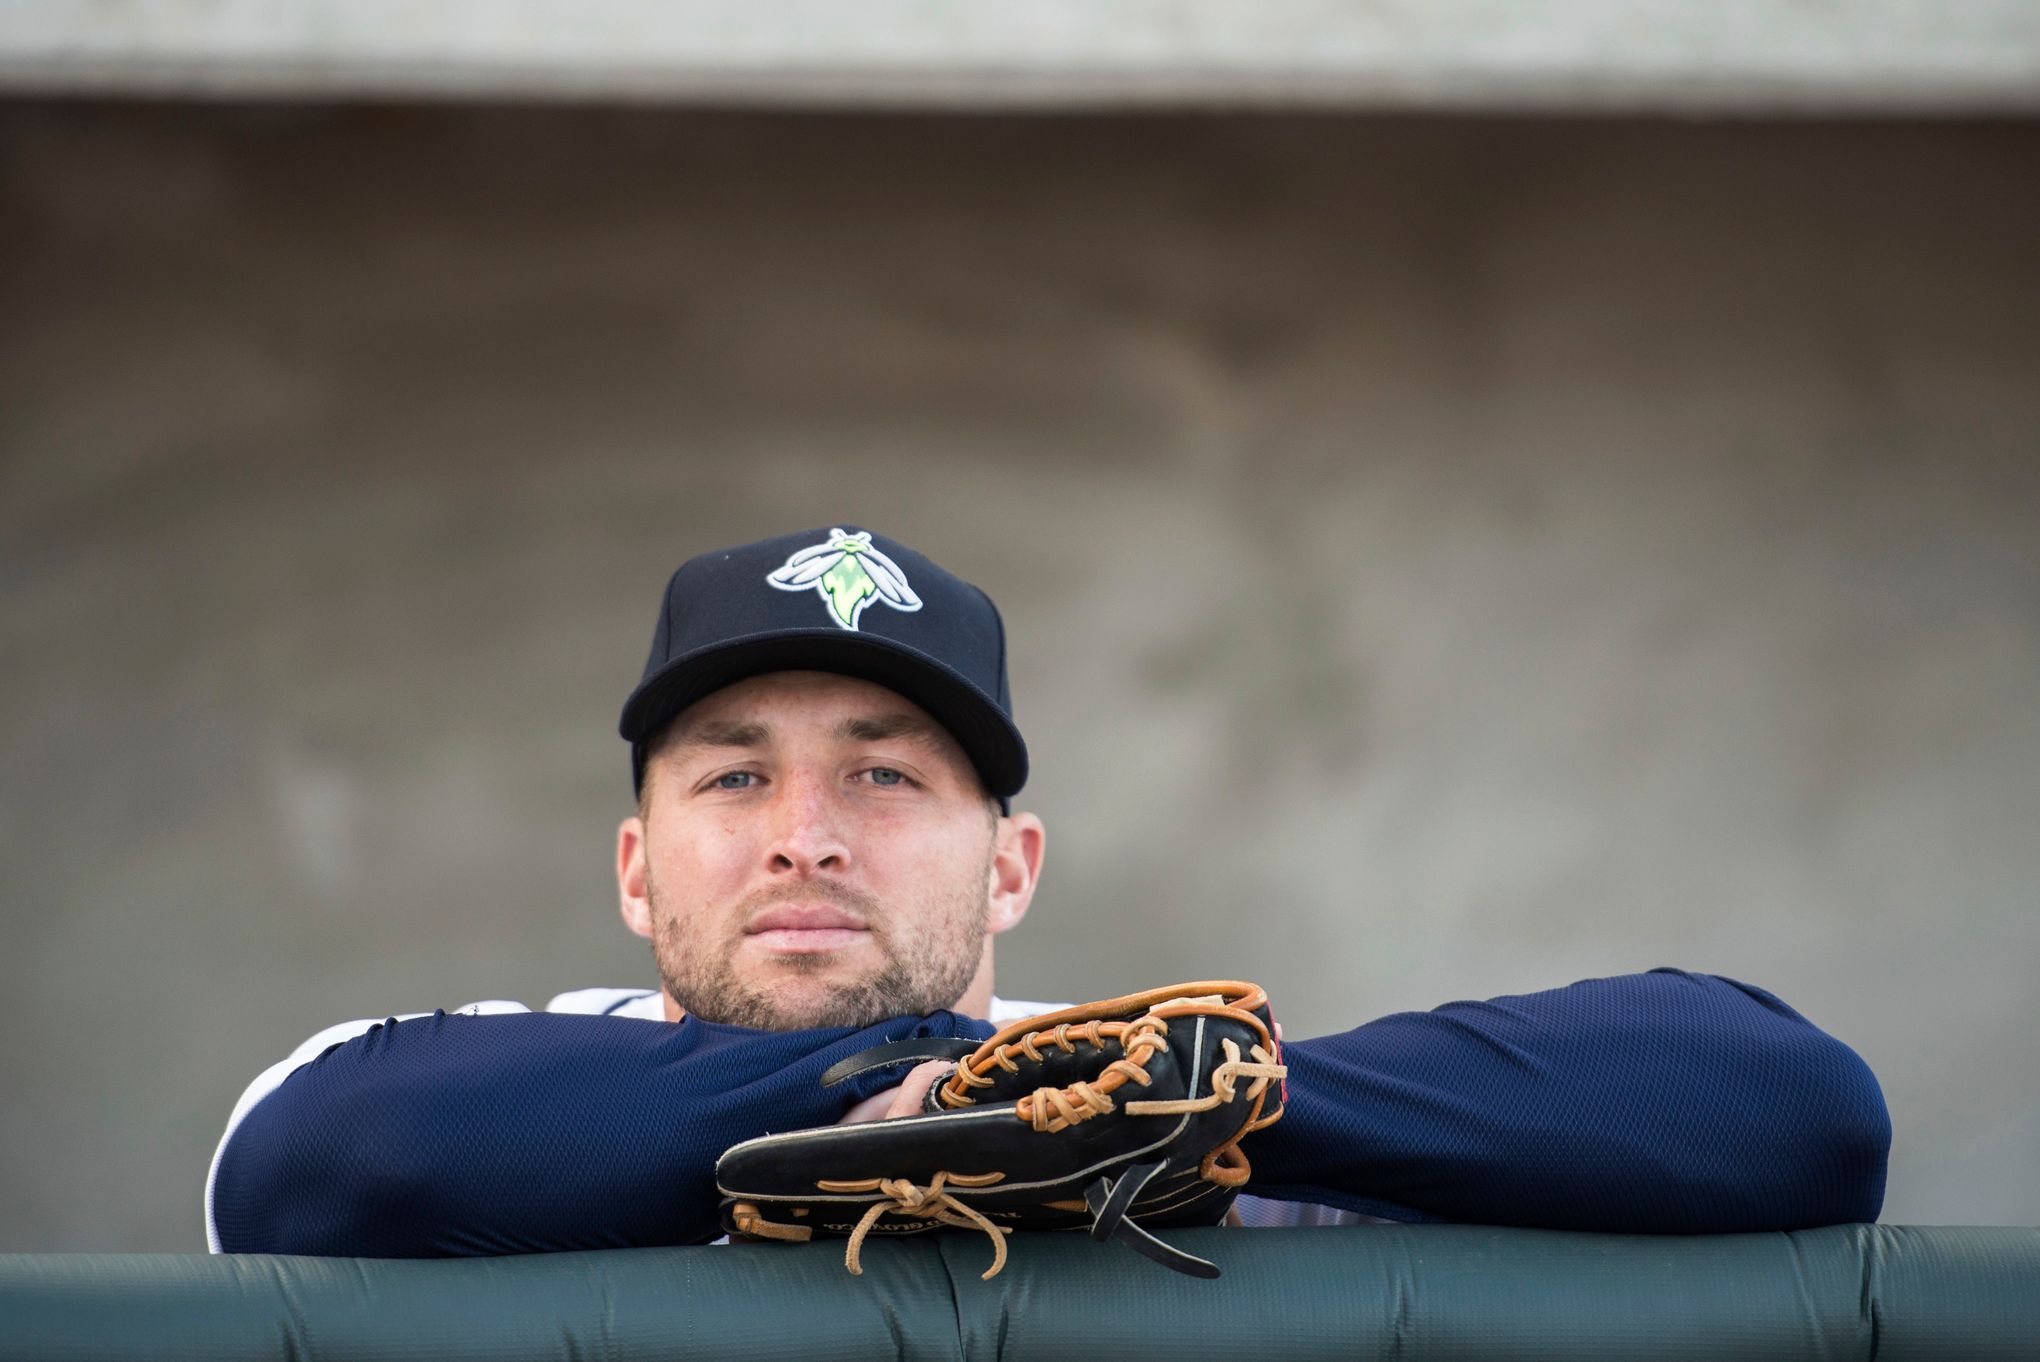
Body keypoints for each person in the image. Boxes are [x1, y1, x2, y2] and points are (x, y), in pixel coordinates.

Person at [207, 527, 1891, 1257]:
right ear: (638, 871)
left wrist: (1162, 1104)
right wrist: (911, 1100)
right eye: (734, 773)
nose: (806, 830)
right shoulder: (500, 1075)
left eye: (885, 770)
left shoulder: (1162, 1104)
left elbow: (1794, 1111)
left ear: (1010, 864)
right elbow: (300, 1161)